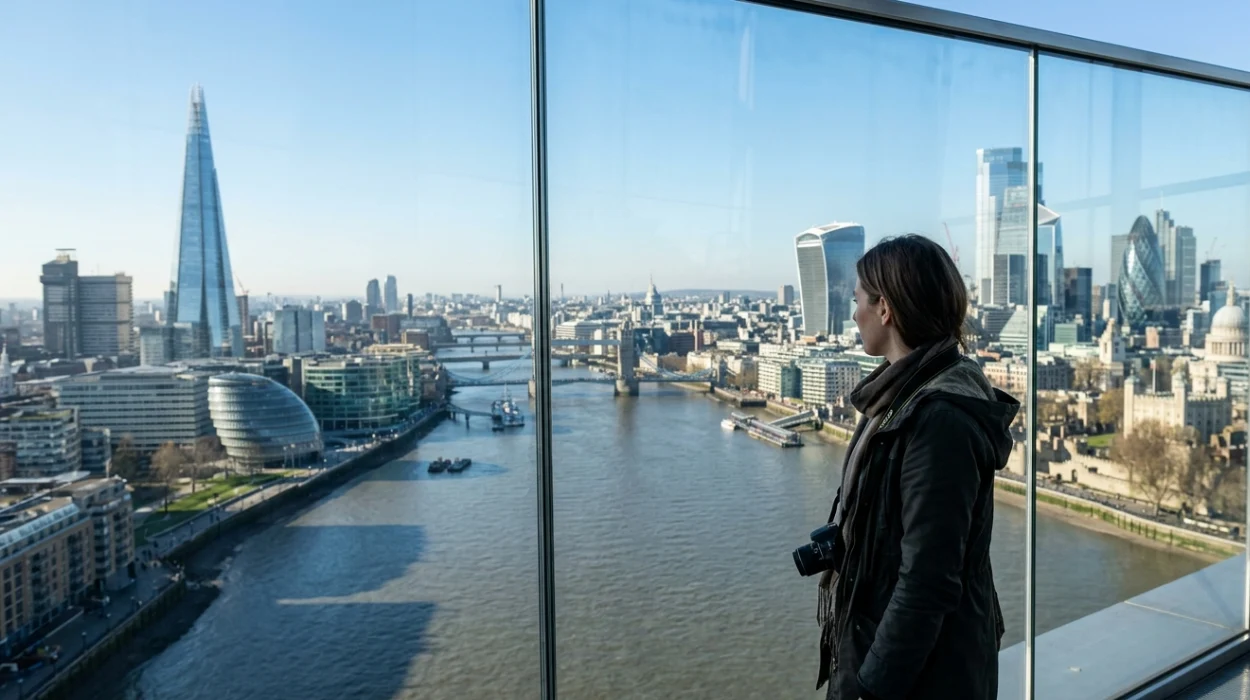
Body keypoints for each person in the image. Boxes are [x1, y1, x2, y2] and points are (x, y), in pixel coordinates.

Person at [815, 235, 1019, 700]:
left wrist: (869, 690)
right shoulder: (902, 397)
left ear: (885, 309)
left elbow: (927, 582)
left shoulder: (937, 421)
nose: (854, 315)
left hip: (922, 681)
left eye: (858, 301)